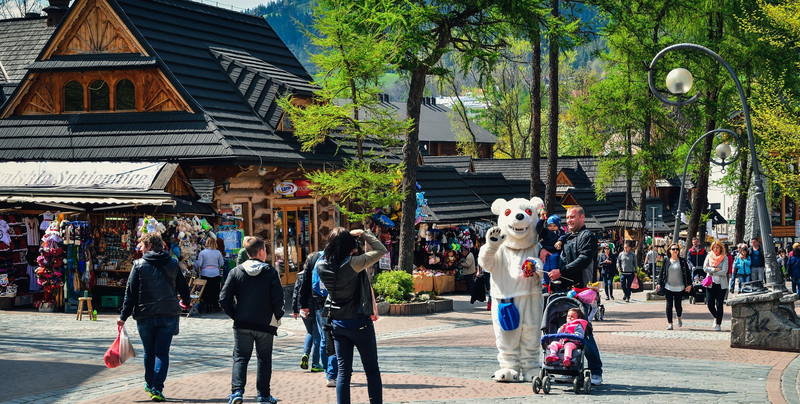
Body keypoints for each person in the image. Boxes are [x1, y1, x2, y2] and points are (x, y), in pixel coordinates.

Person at [315, 228, 387, 404]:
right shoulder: (354, 264)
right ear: (349, 246)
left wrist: (340, 242)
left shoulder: (321, 265)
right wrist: (363, 233)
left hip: (338, 323)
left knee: (343, 372)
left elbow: (329, 253)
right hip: (359, 322)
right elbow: (381, 250)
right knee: (371, 369)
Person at [118, 233, 191, 402]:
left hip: (146, 315)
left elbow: (130, 294)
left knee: (149, 352)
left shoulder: (138, 265)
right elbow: (184, 288)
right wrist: (186, 303)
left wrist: (123, 316)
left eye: (141, 246)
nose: (140, 249)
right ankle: (157, 388)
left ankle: (150, 383)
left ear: (149, 245)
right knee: (162, 353)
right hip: (168, 314)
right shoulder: (173, 263)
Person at [219, 236, 284, 404]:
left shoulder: (236, 271)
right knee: (264, 359)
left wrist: (235, 314)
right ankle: (263, 395)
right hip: (265, 324)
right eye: (265, 250)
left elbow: (223, 299)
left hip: (242, 323)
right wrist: (277, 315)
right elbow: (278, 298)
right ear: (261, 251)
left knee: (240, 358)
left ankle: (237, 392)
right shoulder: (270, 272)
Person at [548, 206, 603, 386]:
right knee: (566, 332)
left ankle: (596, 371)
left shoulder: (587, 236)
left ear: (582, 217)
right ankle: (569, 368)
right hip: (565, 291)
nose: (569, 220)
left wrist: (561, 271)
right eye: (567, 218)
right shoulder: (567, 236)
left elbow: (584, 260)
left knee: (583, 333)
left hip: (582, 292)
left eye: (573, 217)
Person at [298, 249, 338, 387]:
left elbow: (305, 282)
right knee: (337, 338)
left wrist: (303, 305)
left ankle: (329, 373)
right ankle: (335, 372)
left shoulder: (315, 258)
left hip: (319, 304)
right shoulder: (339, 255)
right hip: (339, 303)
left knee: (324, 338)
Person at [292, 265, 322, 373]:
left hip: (303, 309)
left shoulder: (299, 276)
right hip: (314, 309)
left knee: (309, 332)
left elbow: (295, 293)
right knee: (317, 336)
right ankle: (315, 363)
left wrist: (295, 309)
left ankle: (305, 353)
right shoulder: (316, 274)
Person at [656, 243, 692, 330]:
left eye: (677, 249)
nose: (675, 251)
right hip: (668, 286)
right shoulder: (666, 260)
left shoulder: (682, 261)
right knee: (669, 305)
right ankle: (670, 323)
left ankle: (679, 316)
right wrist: (659, 283)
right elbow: (662, 273)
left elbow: (687, 273)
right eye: (673, 249)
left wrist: (689, 285)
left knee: (678, 306)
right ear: (669, 251)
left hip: (679, 287)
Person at [703, 241, 729, 332]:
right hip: (710, 283)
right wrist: (715, 269)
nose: (715, 249)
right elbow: (705, 268)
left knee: (719, 304)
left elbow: (724, 271)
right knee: (710, 304)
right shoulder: (709, 256)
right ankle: (716, 316)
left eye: (717, 247)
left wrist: (712, 271)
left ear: (721, 248)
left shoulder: (724, 258)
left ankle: (718, 324)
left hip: (721, 285)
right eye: (714, 247)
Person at [195, 237, 224, 313]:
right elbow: (221, 263)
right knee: (215, 290)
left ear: (206, 243)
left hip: (205, 273)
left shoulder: (203, 253)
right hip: (215, 273)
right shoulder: (218, 252)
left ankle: (208, 306)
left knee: (206, 290)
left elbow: (200, 264)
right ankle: (215, 305)